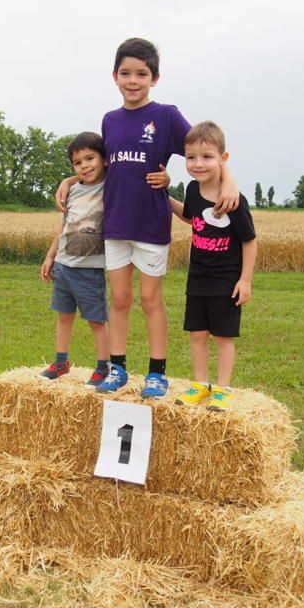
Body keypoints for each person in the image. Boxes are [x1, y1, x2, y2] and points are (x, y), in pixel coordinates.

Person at [56, 37, 239, 398]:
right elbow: (101, 168)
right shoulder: (110, 120)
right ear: (115, 76)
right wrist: (69, 180)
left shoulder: (166, 116)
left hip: (151, 225)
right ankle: (118, 368)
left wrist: (228, 180)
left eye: (141, 73)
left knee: (151, 300)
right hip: (115, 225)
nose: (133, 80)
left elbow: (204, 148)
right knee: (120, 299)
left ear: (155, 78)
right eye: (126, 73)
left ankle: (157, 373)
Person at [172, 121, 257, 412]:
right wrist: (164, 197)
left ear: (223, 158)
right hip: (198, 276)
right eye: (191, 157)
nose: (198, 164)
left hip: (226, 279)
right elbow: (190, 217)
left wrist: (245, 280)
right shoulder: (192, 190)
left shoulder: (233, 199)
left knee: (223, 336)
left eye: (207, 157)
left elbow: (249, 240)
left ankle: (222, 389)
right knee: (197, 334)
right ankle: (200, 385)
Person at [40, 132, 112, 385]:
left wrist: (66, 179)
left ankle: (104, 366)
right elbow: (63, 227)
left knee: (96, 320)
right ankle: (61, 362)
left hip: (90, 269)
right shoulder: (72, 191)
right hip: (63, 265)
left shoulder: (110, 186)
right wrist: (50, 257)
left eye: (90, 158)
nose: (84, 166)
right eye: (77, 163)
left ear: (104, 159)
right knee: (64, 315)